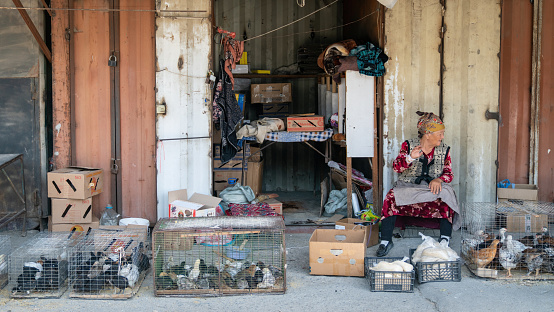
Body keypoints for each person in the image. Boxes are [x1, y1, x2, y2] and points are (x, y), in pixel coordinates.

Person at [376, 111, 460, 257]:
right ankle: (385, 241)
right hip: (409, 186)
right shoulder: (408, 146)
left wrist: (439, 179)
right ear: (428, 134)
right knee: (391, 196)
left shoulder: (445, 149)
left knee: (447, 194)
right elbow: (397, 167)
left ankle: (445, 239)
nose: (442, 137)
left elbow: (449, 173)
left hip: (432, 188)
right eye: (439, 133)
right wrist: (409, 158)